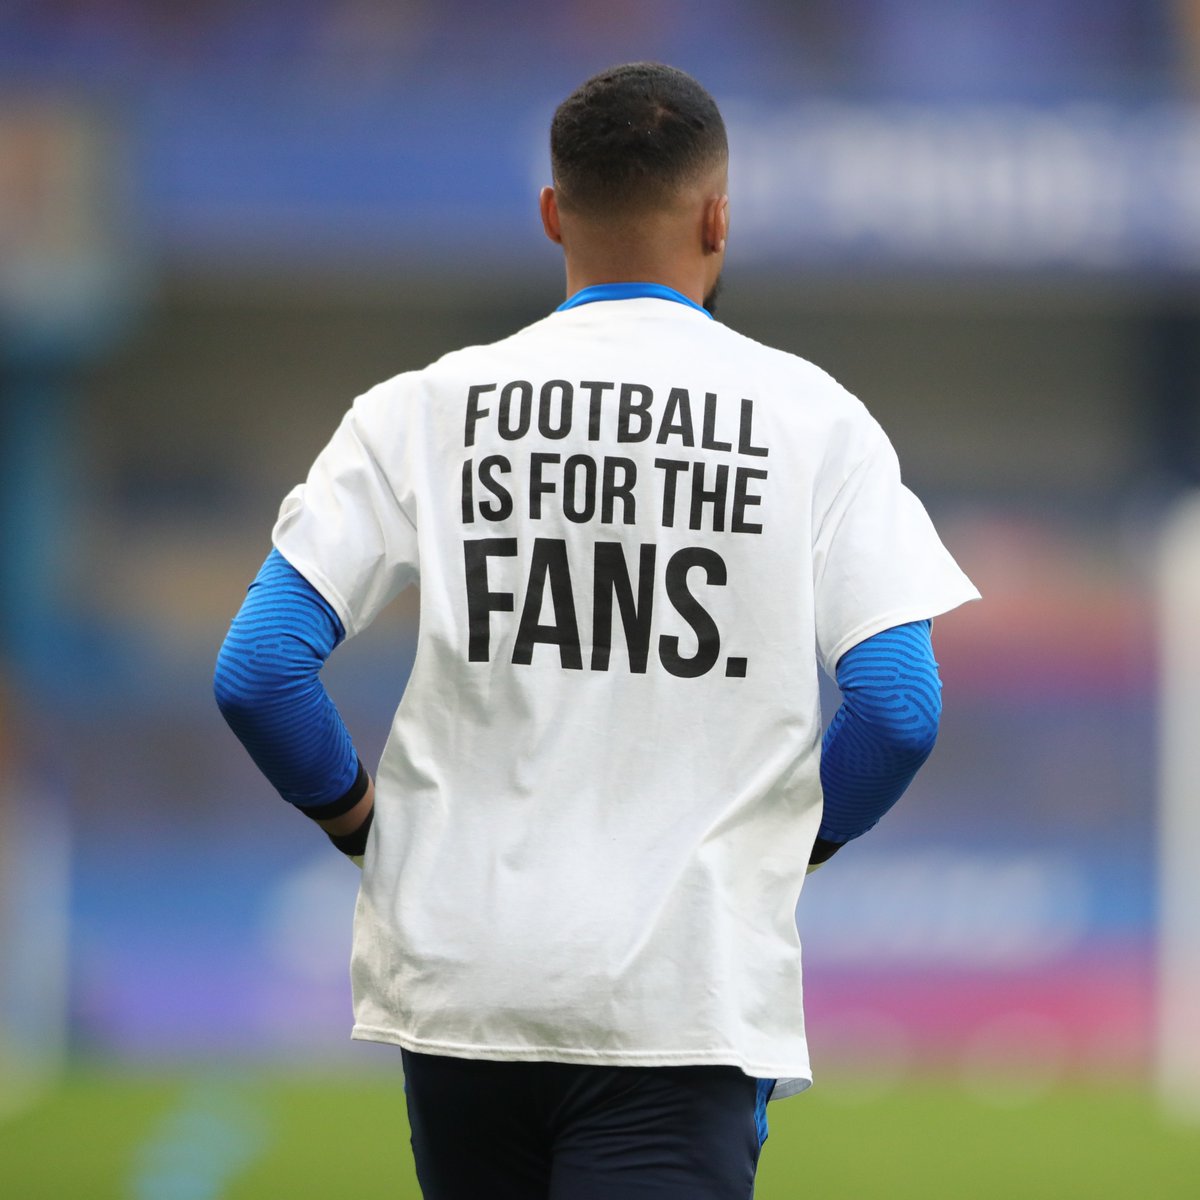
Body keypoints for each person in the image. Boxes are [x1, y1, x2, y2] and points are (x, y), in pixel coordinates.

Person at [214, 62, 979, 1200]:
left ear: (553, 215)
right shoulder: (817, 421)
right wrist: (798, 847)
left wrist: (358, 826)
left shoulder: (419, 408)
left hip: (465, 988)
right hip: (680, 994)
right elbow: (899, 710)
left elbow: (261, 670)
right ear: (719, 216)